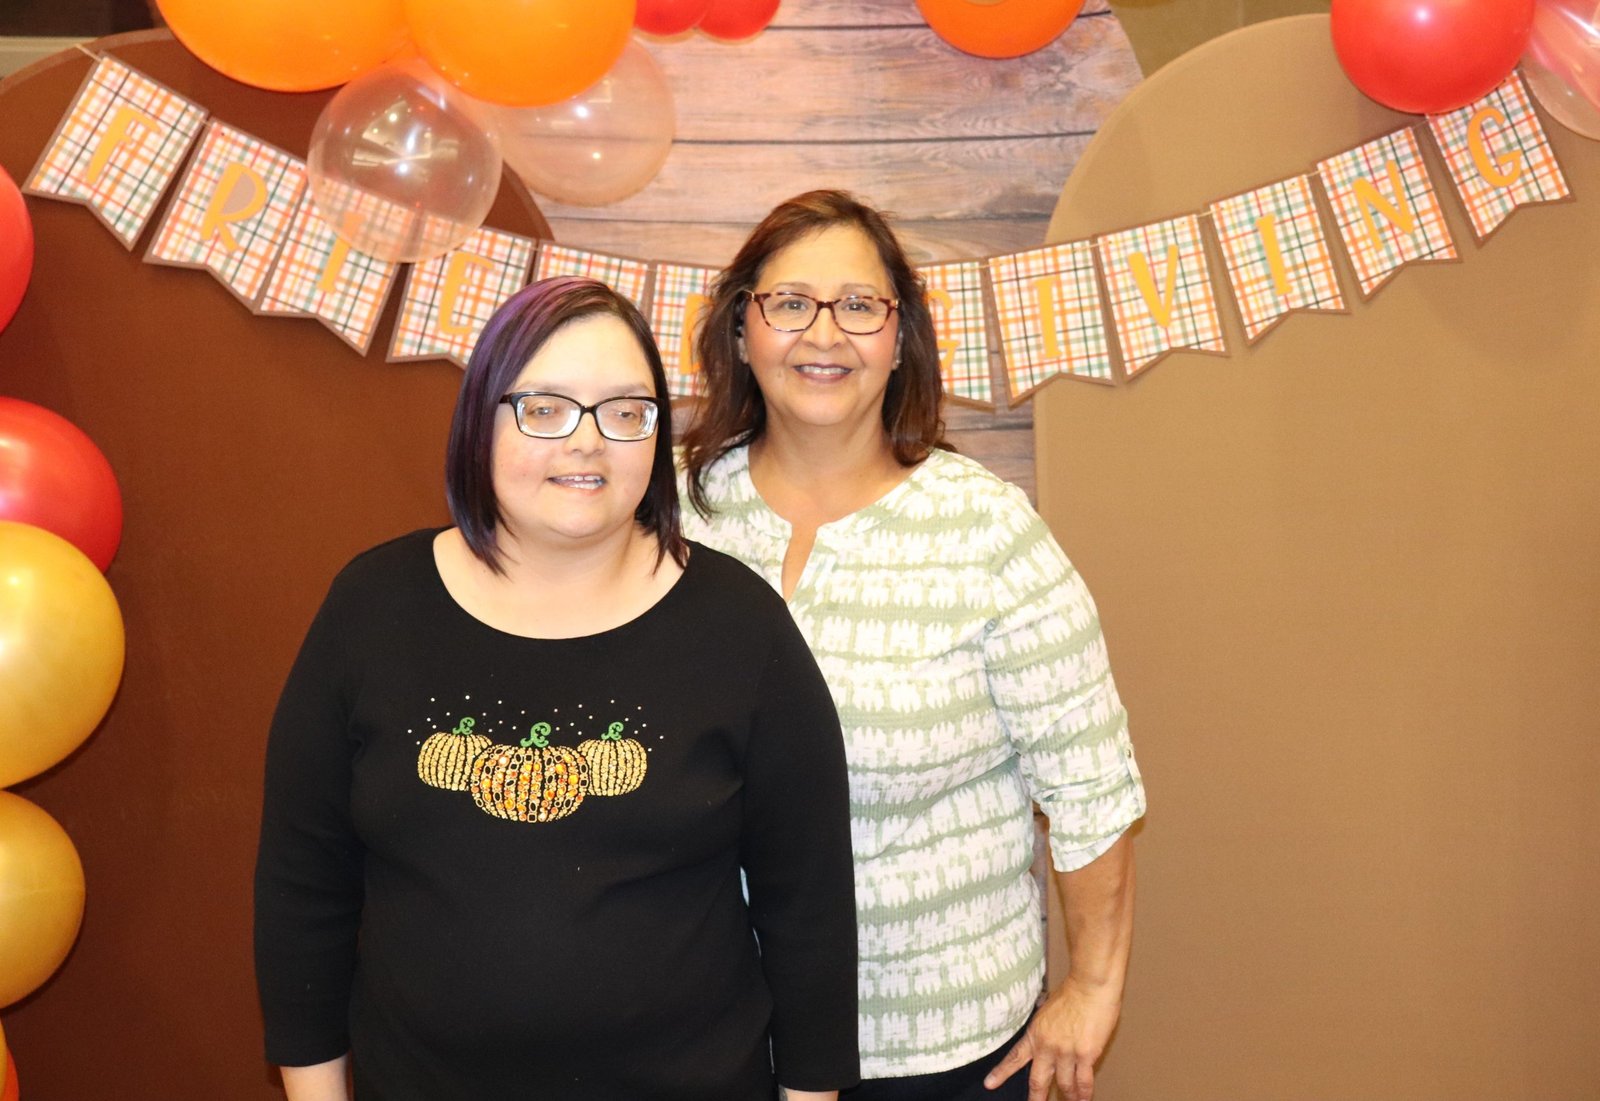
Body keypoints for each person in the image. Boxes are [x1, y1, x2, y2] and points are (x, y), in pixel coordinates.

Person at [254, 277, 859, 1101]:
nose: (587, 442)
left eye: (625, 411)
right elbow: (303, 890)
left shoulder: (739, 626)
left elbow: (808, 909)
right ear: (481, 419)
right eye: (545, 408)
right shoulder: (372, 607)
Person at [680, 191, 1147, 1101]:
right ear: (741, 330)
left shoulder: (986, 529)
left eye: (860, 305)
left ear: (900, 339)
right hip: (716, 1030)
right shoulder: (674, 515)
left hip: (937, 1047)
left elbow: (1091, 783)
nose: (825, 334)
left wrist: (1094, 987)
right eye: (790, 303)